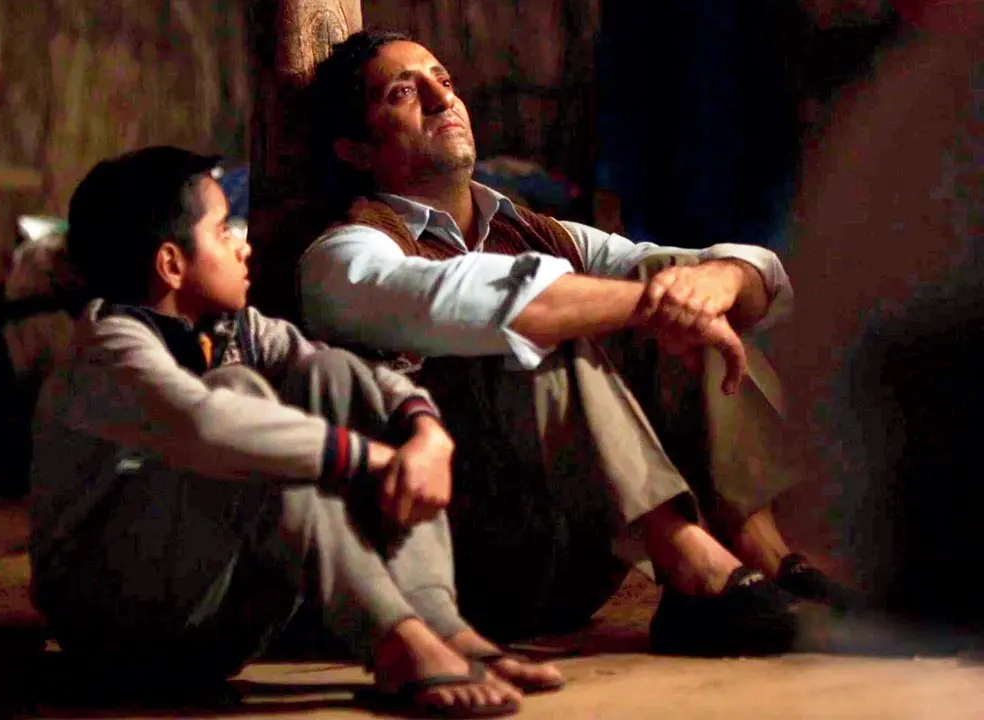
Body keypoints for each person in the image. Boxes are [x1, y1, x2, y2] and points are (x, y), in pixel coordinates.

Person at [293, 31, 858, 657]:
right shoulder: (341, 256)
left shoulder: (543, 233)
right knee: (535, 326)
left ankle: (759, 553)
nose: (441, 98)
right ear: (355, 149)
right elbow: (494, 302)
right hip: (463, 563)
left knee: (675, 281)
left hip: (575, 557)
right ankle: (691, 566)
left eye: (443, 81)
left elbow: (760, 285)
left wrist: (718, 279)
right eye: (403, 92)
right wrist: (658, 305)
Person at [27, 145, 567, 718]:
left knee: (329, 373)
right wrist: (376, 460)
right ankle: (397, 643)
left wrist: (426, 433)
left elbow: (368, 382)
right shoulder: (109, 346)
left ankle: (440, 627)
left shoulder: (235, 329)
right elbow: (207, 425)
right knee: (243, 407)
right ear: (171, 264)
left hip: (212, 617)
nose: (243, 244)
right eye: (224, 231)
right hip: (115, 633)